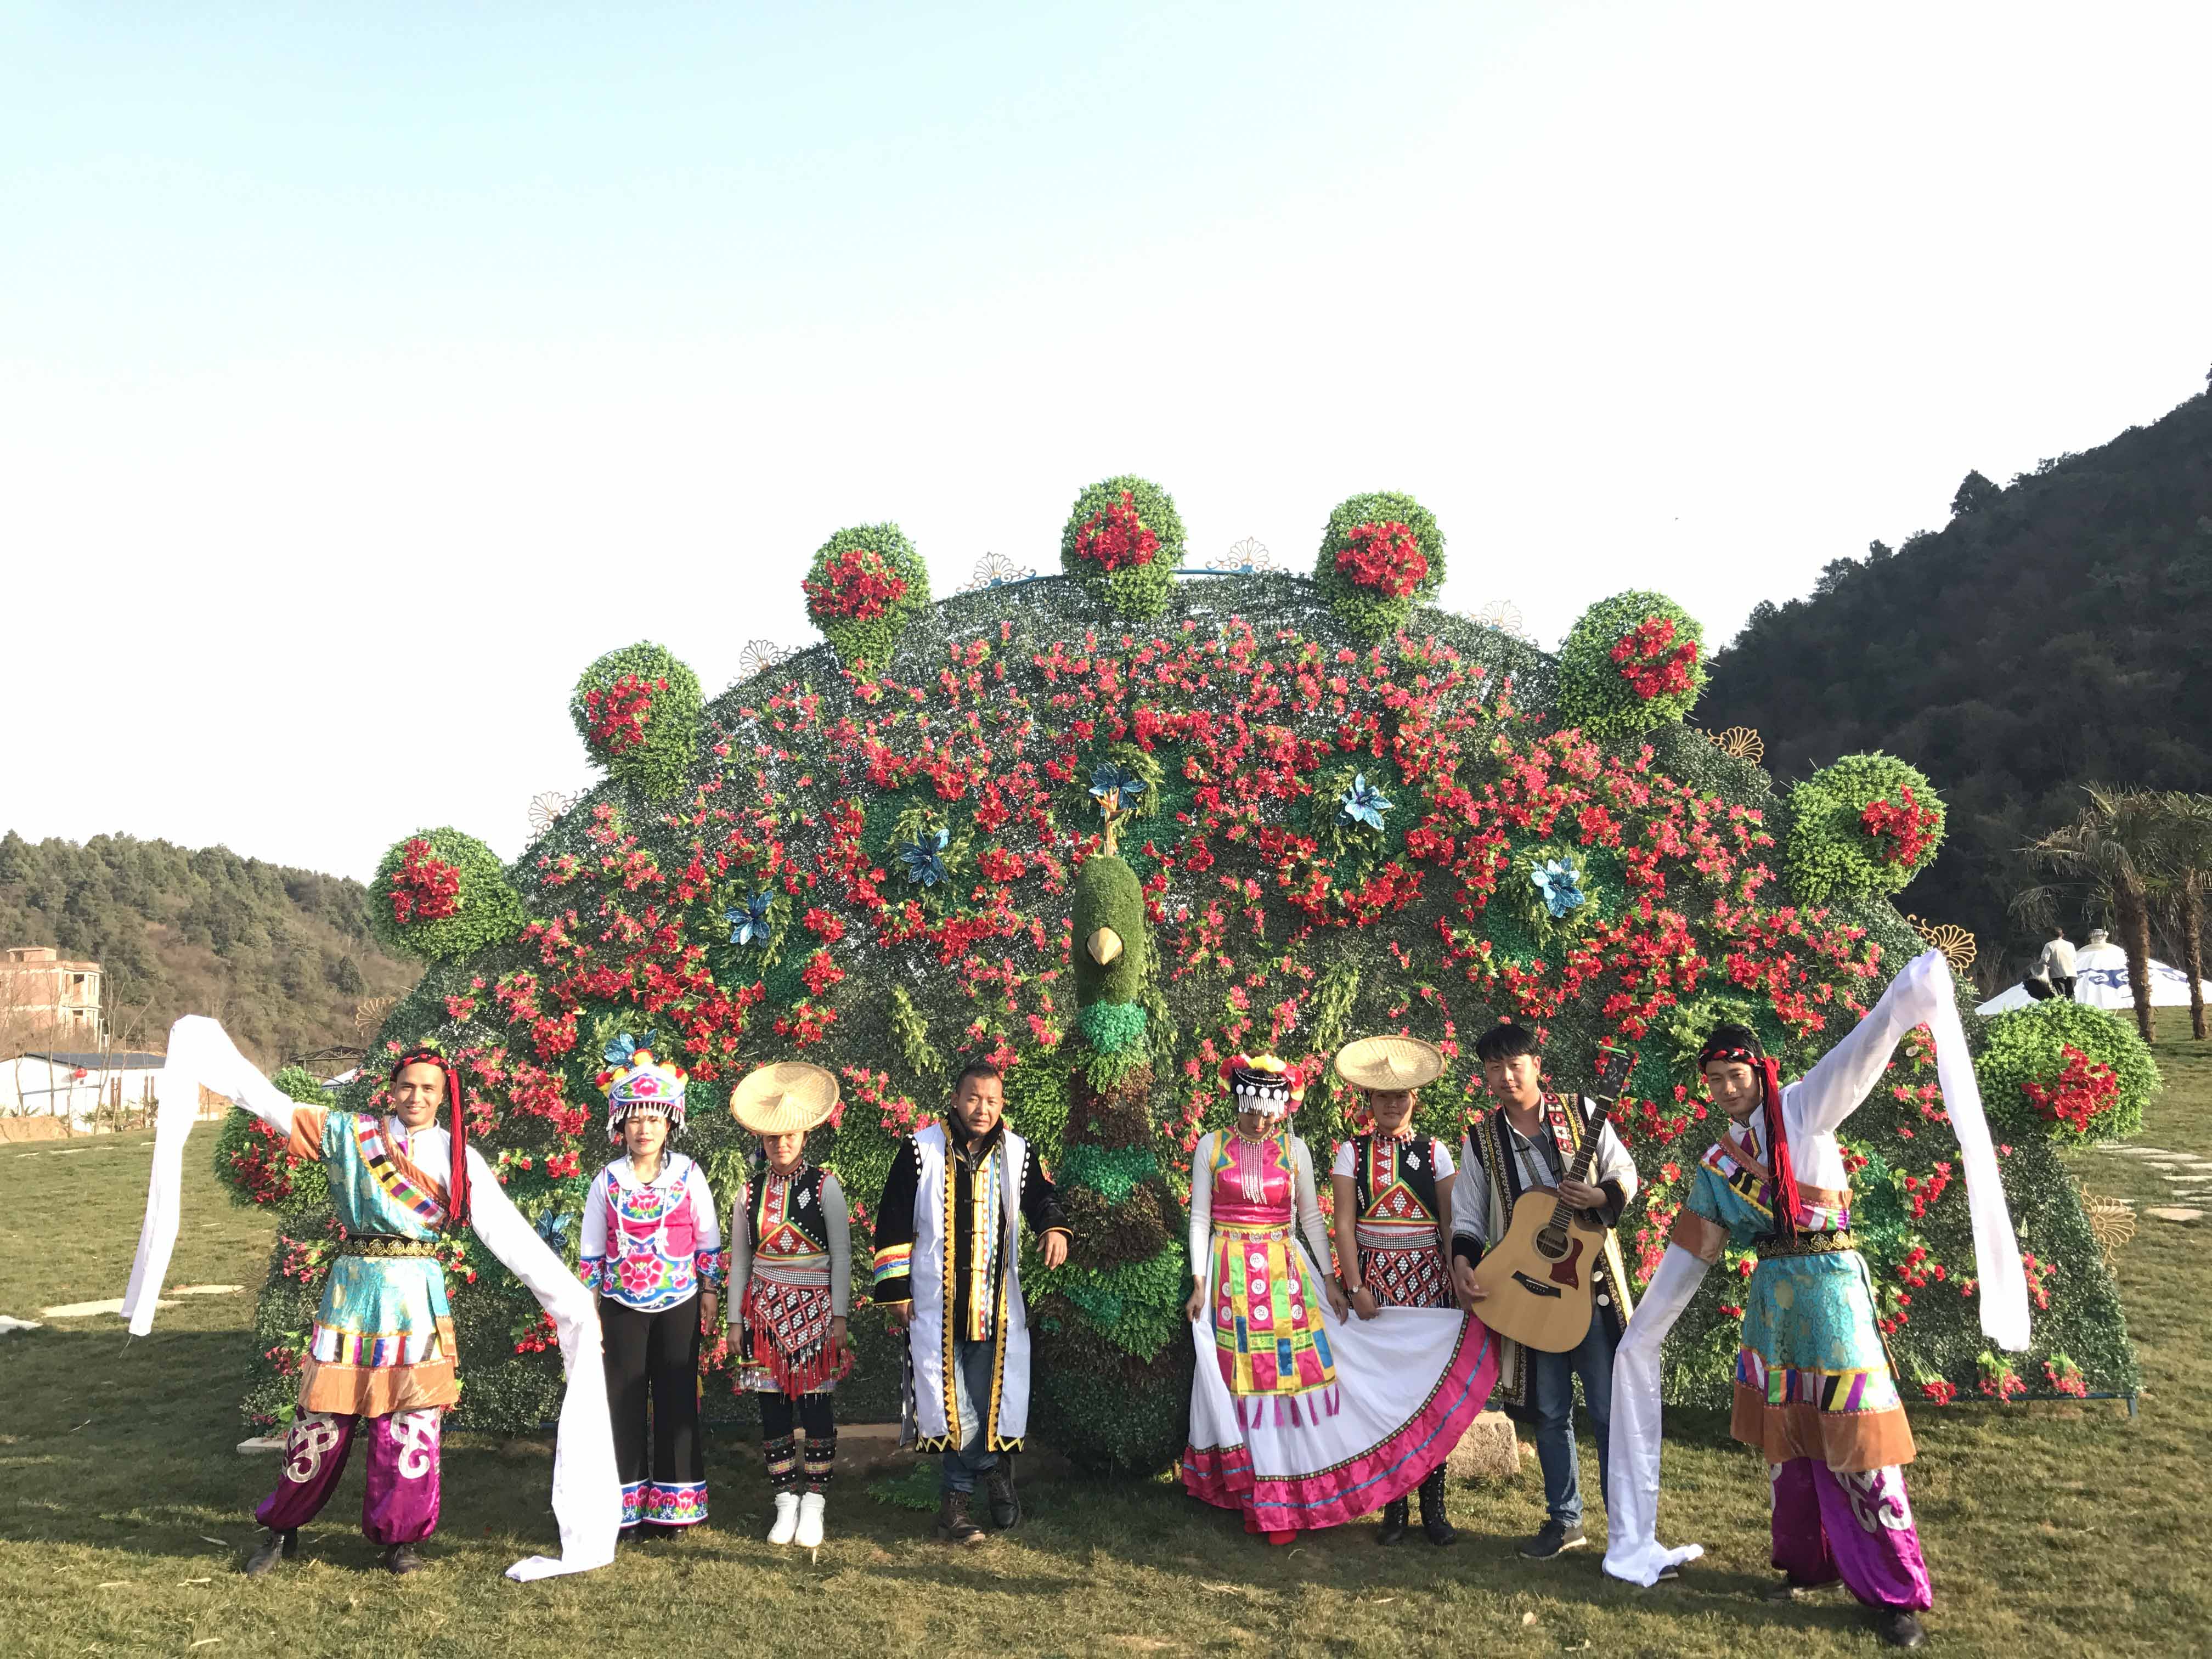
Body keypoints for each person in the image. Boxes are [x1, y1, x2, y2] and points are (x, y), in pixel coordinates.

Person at [1604, 951, 2033, 1651]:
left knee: (1860, 1442)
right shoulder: (1718, 1164)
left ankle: (1895, 1592)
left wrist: (1903, 999)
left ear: (1759, 1070)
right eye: (1712, 1080)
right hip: (1773, 1304)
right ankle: (1810, 1565)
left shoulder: (1804, 1107)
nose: (1724, 1090)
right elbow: (1692, 1254)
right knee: (1791, 1444)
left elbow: (1863, 1048)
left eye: (1733, 1075)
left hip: (1832, 1297)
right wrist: (1643, 1332)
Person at [122, 1019, 618, 1581]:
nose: (417, 1097)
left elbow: (510, 1237)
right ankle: (283, 1528)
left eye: (429, 1088)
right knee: (322, 1420)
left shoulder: (459, 1160)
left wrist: (568, 1298)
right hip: (352, 1298)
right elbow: (272, 1104)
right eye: (408, 1085)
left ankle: (400, 1541)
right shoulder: (349, 1135)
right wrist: (213, 1055)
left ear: (443, 1095)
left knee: (411, 1425)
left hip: (416, 1303)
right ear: (393, 1087)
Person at [1182, 1053, 1497, 1544]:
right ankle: (1259, 1492)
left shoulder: (1305, 1151)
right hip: (1231, 1277)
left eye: (1269, 1109)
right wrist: (1201, 1280)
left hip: (1309, 1276)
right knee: (1244, 1382)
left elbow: (1313, 1220)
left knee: (1293, 1382)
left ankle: (1425, 1504)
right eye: (1252, 1107)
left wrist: (1331, 1279)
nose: (1261, 1118)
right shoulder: (1213, 1146)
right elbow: (1202, 1217)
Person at [1450, 1022, 1638, 1561]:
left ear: (1536, 1063)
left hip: (1590, 1286)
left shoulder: (1581, 1111)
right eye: (1494, 1068)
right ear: (1485, 1075)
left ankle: (1626, 1526)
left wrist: (1598, 1192)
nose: (1506, 1077)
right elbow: (1467, 1209)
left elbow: (1625, 1171)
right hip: (1529, 1294)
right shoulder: (1483, 1139)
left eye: (1515, 1064)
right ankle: (1565, 1520)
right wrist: (1463, 1260)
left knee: (1606, 1412)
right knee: (1552, 1412)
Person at [871, 1058, 1071, 1544]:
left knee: (985, 1403)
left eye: (992, 1100)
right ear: (957, 1100)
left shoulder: (1018, 1153)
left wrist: (1054, 1226)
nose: (982, 1109)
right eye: (974, 1098)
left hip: (994, 1307)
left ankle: (953, 1509)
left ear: (1002, 1105)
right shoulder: (920, 1150)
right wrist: (895, 1287)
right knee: (951, 1406)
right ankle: (994, 1473)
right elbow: (893, 1219)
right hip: (934, 1305)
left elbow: (1042, 1197)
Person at [577, 1035, 723, 1538]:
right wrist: (589, 1307)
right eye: (636, 1118)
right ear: (621, 1124)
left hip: (680, 1298)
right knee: (623, 1398)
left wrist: (709, 1291)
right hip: (620, 1303)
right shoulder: (606, 1179)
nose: (645, 1128)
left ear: (670, 1123)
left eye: (654, 1119)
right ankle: (622, 1509)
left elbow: (708, 1235)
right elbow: (592, 1249)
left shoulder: (688, 1173)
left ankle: (675, 1509)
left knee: (678, 1395)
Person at [1327, 1034, 1460, 1546]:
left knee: (1429, 1393)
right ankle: (1393, 1508)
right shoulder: (1350, 1152)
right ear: (1369, 1100)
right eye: (1383, 1096)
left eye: (1401, 1095)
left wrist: (1458, 1279)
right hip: (1376, 1286)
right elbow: (1343, 1225)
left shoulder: (1436, 1152)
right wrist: (1355, 1284)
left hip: (1429, 1286)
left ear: (1415, 1099)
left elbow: (1450, 1225)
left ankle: (1435, 1507)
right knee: (1385, 1395)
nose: (1392, 1103)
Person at [727, 1060, 854, 1549]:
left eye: (791, 1136)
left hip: (816, 1315)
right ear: (762, 1139)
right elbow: (740, 1260)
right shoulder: (748, 1192)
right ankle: (785, 1501)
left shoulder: (826, 1186)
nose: (782, 1145)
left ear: (805, 1135)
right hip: (764, 1315)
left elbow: (841, 1253)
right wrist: (735, 1320)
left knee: (817, 1410)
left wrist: (839, 1316)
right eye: (773, 1138)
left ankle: (816, 1502)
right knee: (774, 1412)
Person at [2035, 926, 2078, 1001]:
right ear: (2063, 935)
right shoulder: (2071, 945)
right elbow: (2075, 959)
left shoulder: (2050, 945)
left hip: (2057, 974)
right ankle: (2074, 1011)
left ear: (2051, 936)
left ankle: (2062, 1012)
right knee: (2071, 995)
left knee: (2060, 996)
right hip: (2072, 973)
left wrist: (2037, 969)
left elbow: (2045, 960)